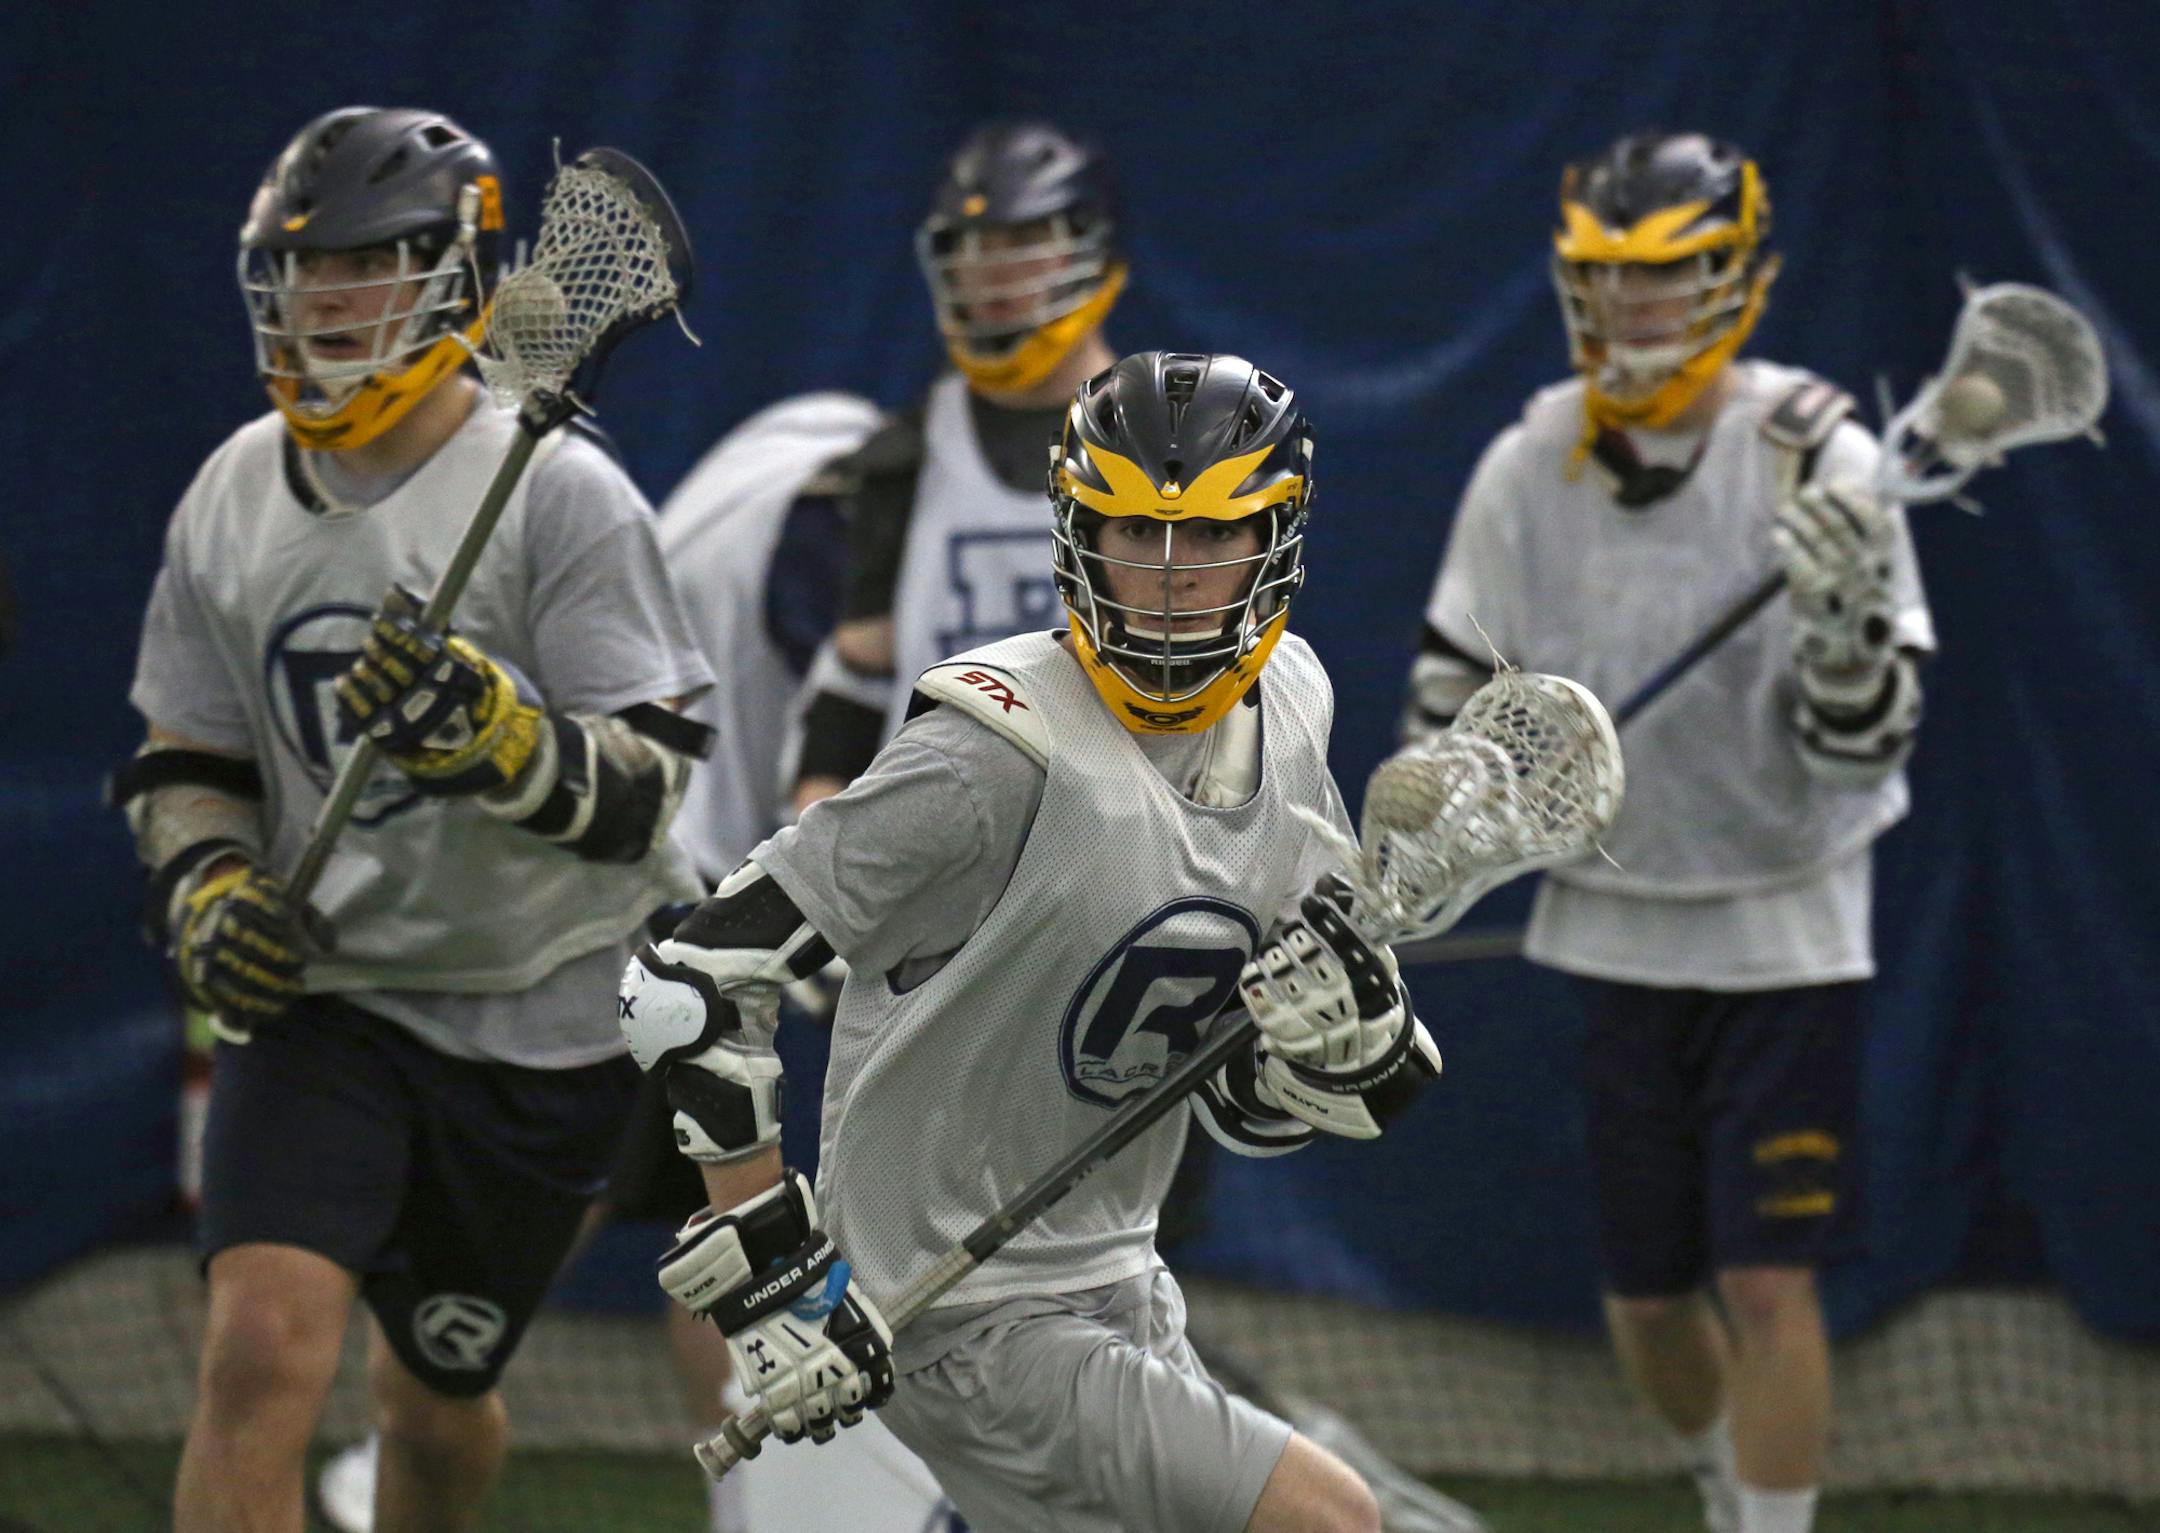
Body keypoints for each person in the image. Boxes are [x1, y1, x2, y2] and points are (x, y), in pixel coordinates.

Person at [620, 352, 1445, 1533]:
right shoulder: (994, 752)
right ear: (1071, 531)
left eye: (1208, 541)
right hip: (952, 1311)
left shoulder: (1293, 707)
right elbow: (688, 984)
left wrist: (1346, 1045)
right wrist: (777, 1280)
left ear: (1276, 539)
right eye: (1130, 535)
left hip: (1119, 1276)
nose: (1164, 579)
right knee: (1331, 1519)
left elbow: (1246, 1103)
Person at [116, 106, 713, 1533]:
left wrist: (501, 741)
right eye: (302, 273)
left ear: (456, 274)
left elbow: (654, 783)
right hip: (329, 988)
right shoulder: (230, 492)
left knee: (431, 1402)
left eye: (366, 267)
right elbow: (186, 752)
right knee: (257, 1351)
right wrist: (204, 887)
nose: (327, 304)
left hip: (544, 1007)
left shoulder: (559, 492)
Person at [1402, 133, 1934, 1533]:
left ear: (1738, 276)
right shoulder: (1535, 456)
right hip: (1618, 917)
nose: (1636, 311)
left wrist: (1841, 645)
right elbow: (1454, 690)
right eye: (1609, 281)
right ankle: (1719, 1485)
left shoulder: (1823, 453)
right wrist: (1448, 811)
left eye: (1673, 276)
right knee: (1644, 1296)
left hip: (1785, 921)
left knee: (1767, 1278)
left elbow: (1870, 743)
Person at [788, 118, 1123, 809]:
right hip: (937, 847)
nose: (992, 269)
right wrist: (815, 842)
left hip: (1123, 845)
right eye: (975, 247)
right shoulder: (906, 456)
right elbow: (857, 685)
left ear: (1087, 248)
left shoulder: (1168, 440)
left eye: (1022, 242)